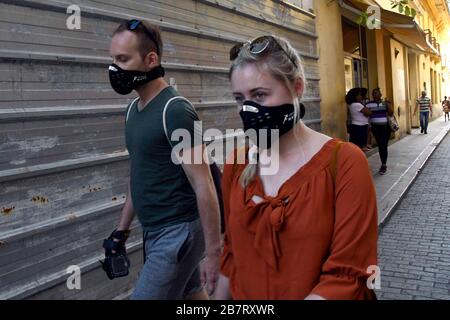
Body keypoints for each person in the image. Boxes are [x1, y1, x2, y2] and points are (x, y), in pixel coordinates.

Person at [214, 35, 378, 300]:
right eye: (239, 98)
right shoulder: (236, 164)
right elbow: (231, 255)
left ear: (297, 87)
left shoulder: (345, 162)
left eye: (259, 94)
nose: (248, 109)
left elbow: (349, 274)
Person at [106, 19, 221, 299]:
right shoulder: (133, 110)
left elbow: (203, 184)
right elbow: (139, 173)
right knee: (192, 295)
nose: (114, 69)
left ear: (151, 59)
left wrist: (214, 252)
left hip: (177, 233)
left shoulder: (176, 110)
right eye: (112, 59)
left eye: (122, 59)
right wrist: (121, 231)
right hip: (154, 230)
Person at [366, 88, 394, 175]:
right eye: (373, 93)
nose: (375, 95)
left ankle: (383, 165)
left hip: (385, 128)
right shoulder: (369, 104)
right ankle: (383, 164)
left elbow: (391, 113)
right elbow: (365, 113)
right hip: (375, 128)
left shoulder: (385, 103)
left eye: (377, 93)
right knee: (380, 145)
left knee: (383, 145)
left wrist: (388, 104)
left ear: (380, 95)